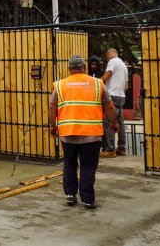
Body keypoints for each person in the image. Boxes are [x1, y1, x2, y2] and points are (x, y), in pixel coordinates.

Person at [48, 55, 118, 210]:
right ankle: (87, 199)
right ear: (84, 67)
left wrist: (53, 126)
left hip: (68, 134)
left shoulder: (60, 85)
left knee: (69, 164)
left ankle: (70, 194)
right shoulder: (98, 84)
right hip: (91, 135)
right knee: (87, 167)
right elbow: (110, 107)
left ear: (69, 69)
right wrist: (114, 123)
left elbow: (52, 107)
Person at [100, 48, 128, 157]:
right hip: (121, 96)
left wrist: (96, 82)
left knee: (108, 122)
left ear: (111, 53)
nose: (107, 58)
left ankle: (110, 149)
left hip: (112, 95)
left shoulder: (113, 61)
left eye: (107, 55)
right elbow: (126, 85)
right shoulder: (124, 65)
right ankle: (121, 148)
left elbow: (106, 76)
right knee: (120, 122)